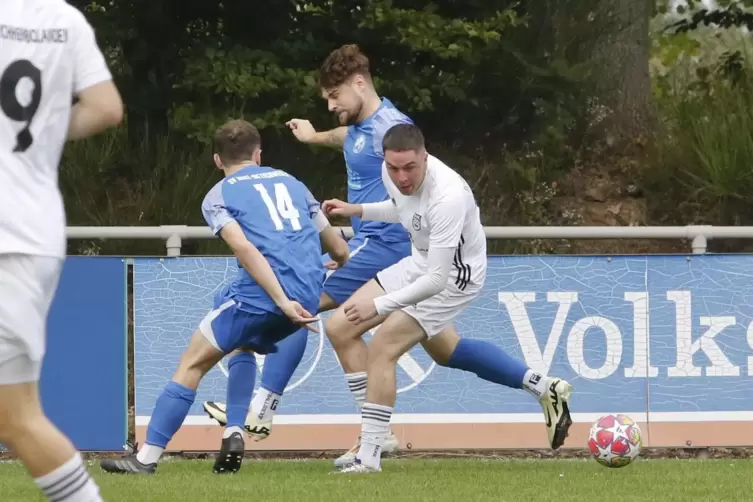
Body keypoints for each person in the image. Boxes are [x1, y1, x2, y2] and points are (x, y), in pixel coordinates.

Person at [202, 44, 571, 466]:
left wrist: (369, 283)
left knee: (300, 304)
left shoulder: (394, 132)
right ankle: (543, 386)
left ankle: (268, 411)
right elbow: (350, 140)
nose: (330, 104)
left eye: (334, 95)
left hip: (388, 248)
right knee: (447, 350)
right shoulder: (367, 126)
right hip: (401, 250)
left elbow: (408, 188)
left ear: (359, 83)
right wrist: (315, 138)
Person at [99, 120, 349, 476]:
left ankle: (147, 458)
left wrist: (279, 300)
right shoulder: (294, 184)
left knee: (192, 363)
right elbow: (338, 246)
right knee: (241, 344)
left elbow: (245, 248)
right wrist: (337, 263)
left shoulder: (218, 195)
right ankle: (234, 430)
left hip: (265, 298)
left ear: (218, 160)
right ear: (259, 154)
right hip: (308, 296)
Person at [325, 123, 573, 473]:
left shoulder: (449, 196)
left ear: (425, 157)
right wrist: (359, 211)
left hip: (454, 278)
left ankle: (370, 452)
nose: (401, 176)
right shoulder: (391, 171)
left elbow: (437, 280)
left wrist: (378, 305)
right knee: (342, 327)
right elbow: (404, 210)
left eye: (410, 168)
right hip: (419, 263)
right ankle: (544, 387)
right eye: (394, 168)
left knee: (382, 346)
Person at [0, 1, 123, 500]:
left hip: (7, 239)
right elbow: (106, 107)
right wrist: (43, 137)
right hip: (31, 231)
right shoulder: (65, 20)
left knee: (16, 417)